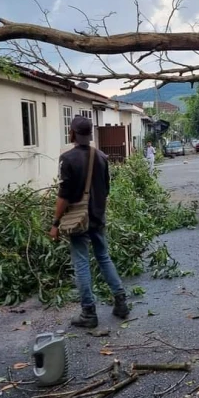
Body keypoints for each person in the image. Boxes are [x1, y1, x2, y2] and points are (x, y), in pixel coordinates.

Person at [50, 116, 129, 328]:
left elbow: (63, 195)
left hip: (78, 221)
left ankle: (88, 313)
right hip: (98, 217)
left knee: (82, 263)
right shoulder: (101, 157)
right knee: (104, 257)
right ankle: (121, 302)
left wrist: (55, 223)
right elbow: (106, 190)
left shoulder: (66, 159)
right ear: (91, 134)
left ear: (72, 133)